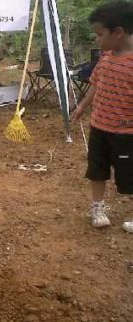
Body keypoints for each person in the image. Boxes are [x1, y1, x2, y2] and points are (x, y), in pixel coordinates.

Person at [71, 1, 133, 232]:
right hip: (99, 127)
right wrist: (83, 106)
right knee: (97, 170)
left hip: (127, 134)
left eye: (99, 34)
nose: (97, 39)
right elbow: (96, 85)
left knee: (129, 175)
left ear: (118, 32)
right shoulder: (106, 57)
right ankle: (97, 207)